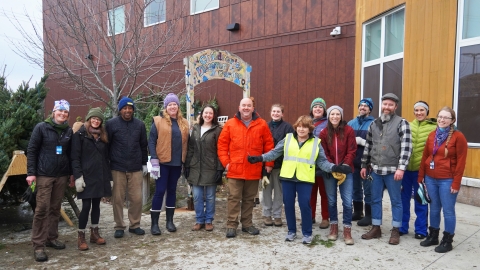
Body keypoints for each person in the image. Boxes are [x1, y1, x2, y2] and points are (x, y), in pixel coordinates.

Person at [248, 115, 352, 244]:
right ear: (296, 128)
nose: (301, 129)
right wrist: (260, 158)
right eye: (299, 127)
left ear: (310, 129)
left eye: (305, 127)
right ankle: (291, 231)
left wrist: (336, 168)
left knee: (304, 205)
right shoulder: (288, 139)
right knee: (289, 205)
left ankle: (307, 233)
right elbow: (274, 153)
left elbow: (323, 163)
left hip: (305, 179)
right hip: (287, 178)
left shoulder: (316, 143)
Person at [217, 97, 274, 238]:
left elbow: (269, 145)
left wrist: (269, 163)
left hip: (253, 169)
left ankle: (247, 224)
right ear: (239, 107)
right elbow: (222, 145)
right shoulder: (230, 124)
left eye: (249, 105)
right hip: (235, 169)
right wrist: (226, 162)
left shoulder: (262, 124)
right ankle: (231, 225)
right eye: (244, 105)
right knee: (234, 198)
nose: (246, 108)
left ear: (253, 108)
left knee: (249, 199)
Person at [360, 93, 412, 245]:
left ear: (395, 107)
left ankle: (395, 230)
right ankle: (376, 228)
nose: (387, 107)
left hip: (393, 171)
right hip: (375, 170)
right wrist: (364, 165)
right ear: (381, 105)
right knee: (375, 200)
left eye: (390, 105)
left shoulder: (402, 123)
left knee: (396, 201)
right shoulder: (374, 124)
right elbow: (368, 146)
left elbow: (406, 147)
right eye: (385, 104)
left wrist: (401, 168)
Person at [26, 99, 74, 262]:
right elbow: (32, 150)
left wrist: (72, 173)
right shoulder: (41, 128)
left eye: (66, 112)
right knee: (42, 209)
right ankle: (38, 245)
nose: (63, 114)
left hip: (61, 175)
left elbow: (70, 153)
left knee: (55, 208)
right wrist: (31, 173)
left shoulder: (68, 131)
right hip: (44, 174)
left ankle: (51, 237)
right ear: (54, 112)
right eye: (60, 111)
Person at [418, 107, 467, 253]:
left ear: (452, 120)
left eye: (446, 117)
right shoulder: (432, 135)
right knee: (433, 209)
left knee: (448, 211)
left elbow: (461, 162)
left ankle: (447, 240)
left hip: (447, 180)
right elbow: (425, 156)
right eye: (440, 116)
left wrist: (456, 182)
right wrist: (421, 176)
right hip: (431, 178)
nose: (442, 119)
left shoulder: (459, 137)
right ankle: (433, 236)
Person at [106, 97, 148, 238]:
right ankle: (119, 226)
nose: (128, 110)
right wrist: (107, 165)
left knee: (136, 198)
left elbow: (143, 145)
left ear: (133, 110)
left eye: (130, 108)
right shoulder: (111, 124)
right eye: (125, 108)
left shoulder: (140, 125)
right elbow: (107, 145)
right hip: (117, 167)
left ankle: (134, 224)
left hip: (135, 167)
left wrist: (143, 163)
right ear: (120, 109)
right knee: (117, 199)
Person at [71, 107, 111, 250]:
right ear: (89, 119)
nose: (96, 121)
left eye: (98, 119)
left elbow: (106, 158)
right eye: (94, 118)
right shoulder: (80, 135)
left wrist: (108, 177)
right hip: (86, 177)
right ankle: (81, 235)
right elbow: (75, 158)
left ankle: (94, 233)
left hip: (99, 176)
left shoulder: (103, 137)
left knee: (96, 206)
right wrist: (78, 177)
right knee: (86, 206)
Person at [148, 93, 189, 235]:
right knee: (160, 191)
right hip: (162, 162)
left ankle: (170, 221)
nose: (173, 107)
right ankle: (154, 224)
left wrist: (185, 162)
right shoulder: (158, 121)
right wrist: (154, 160)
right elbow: (152, 141)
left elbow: (186, 143)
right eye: (170, 104)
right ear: (166, 107)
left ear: (178, 106)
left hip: (177, 163)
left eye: (175, 104)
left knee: (172, 190)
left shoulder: (184, 122)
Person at [320, 106, 357, 245]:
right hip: (330, 171)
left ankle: (347, 230)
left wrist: (344, 166)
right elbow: (323, 153)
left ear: (341, 116)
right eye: (332, 114)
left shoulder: (349, 130)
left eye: (337, 114)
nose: (335, 116)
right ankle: (333, 227)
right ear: (328, 116)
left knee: (347, 201)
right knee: (331, 200)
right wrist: (332, 167)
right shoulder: (324, 133)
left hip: (346, 170)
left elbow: (352, 150)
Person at [400, 101, 436, 238]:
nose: (419, 113)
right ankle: (402, 227)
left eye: (422, 110)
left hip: (421, 172)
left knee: (420, 200)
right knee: (403, 200)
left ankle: (421, 230)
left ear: (427, 112)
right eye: (416, 110)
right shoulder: (408, 125)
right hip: (405, 170)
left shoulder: (434, 127)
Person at [185, 105, 224, 231]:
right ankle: (199, 219)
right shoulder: (195, 129)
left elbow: (220, 150)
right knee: (197, 196)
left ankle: (208, 220)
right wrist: (187, 164)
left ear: (214, 115)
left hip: (211, 167)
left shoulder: (217, 130)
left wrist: (219, 168)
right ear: (202, 114)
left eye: (210, 113)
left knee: (210, 197)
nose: (208, 115)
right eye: (205, 113)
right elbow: (191, 148)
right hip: (196, 167)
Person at [263, 104, 294, 227]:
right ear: (270, 113)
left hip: (281, 165)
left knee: (279, 192)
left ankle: (277, 215)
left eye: (278, 112)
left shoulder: (287, 127)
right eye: (274, 111)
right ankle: (267, 214)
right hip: (265, 166)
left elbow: (290, 145)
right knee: (266, 191)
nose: (276, 113)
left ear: (282, 114)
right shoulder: (265, 126)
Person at [347, 98, 375, 226]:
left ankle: (369, 215)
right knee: (355, 188)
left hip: (367, 162)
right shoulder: (351, 123)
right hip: (353, 161)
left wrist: (363, 142)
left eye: (366, 106)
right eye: (361, 105)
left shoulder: (374, 123)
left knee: (368, 189)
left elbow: (377, 143)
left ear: (370, 109)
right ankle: (358, 211)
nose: (363, 108)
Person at [309, 97, 330, 229]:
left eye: (320, 107)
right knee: (310, 193)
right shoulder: (306, 122)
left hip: (323, 164)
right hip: (309, 164)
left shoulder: (328, 123)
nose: (317, 109)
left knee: (324, 193)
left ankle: (325, 218)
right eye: (315, 106)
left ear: (324, 110)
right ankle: (310, 216)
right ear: (311, 109)